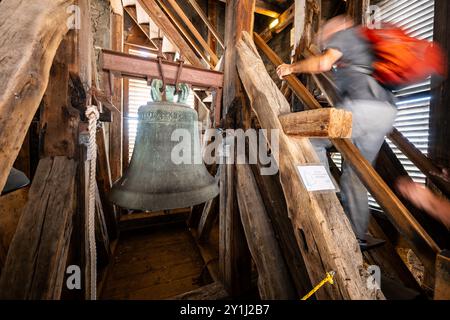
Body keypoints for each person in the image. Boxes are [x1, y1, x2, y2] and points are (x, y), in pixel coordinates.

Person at [277, 15, 398, 249]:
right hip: (384, 113)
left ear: (340, 26)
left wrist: (291, 67)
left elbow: (323, 63)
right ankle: (357, 236)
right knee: (356, 173)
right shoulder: (366, 45)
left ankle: (326, 197)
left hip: (362, 108)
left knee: (312, 140)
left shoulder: (345, 35)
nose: (325, 37)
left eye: (325, 32)